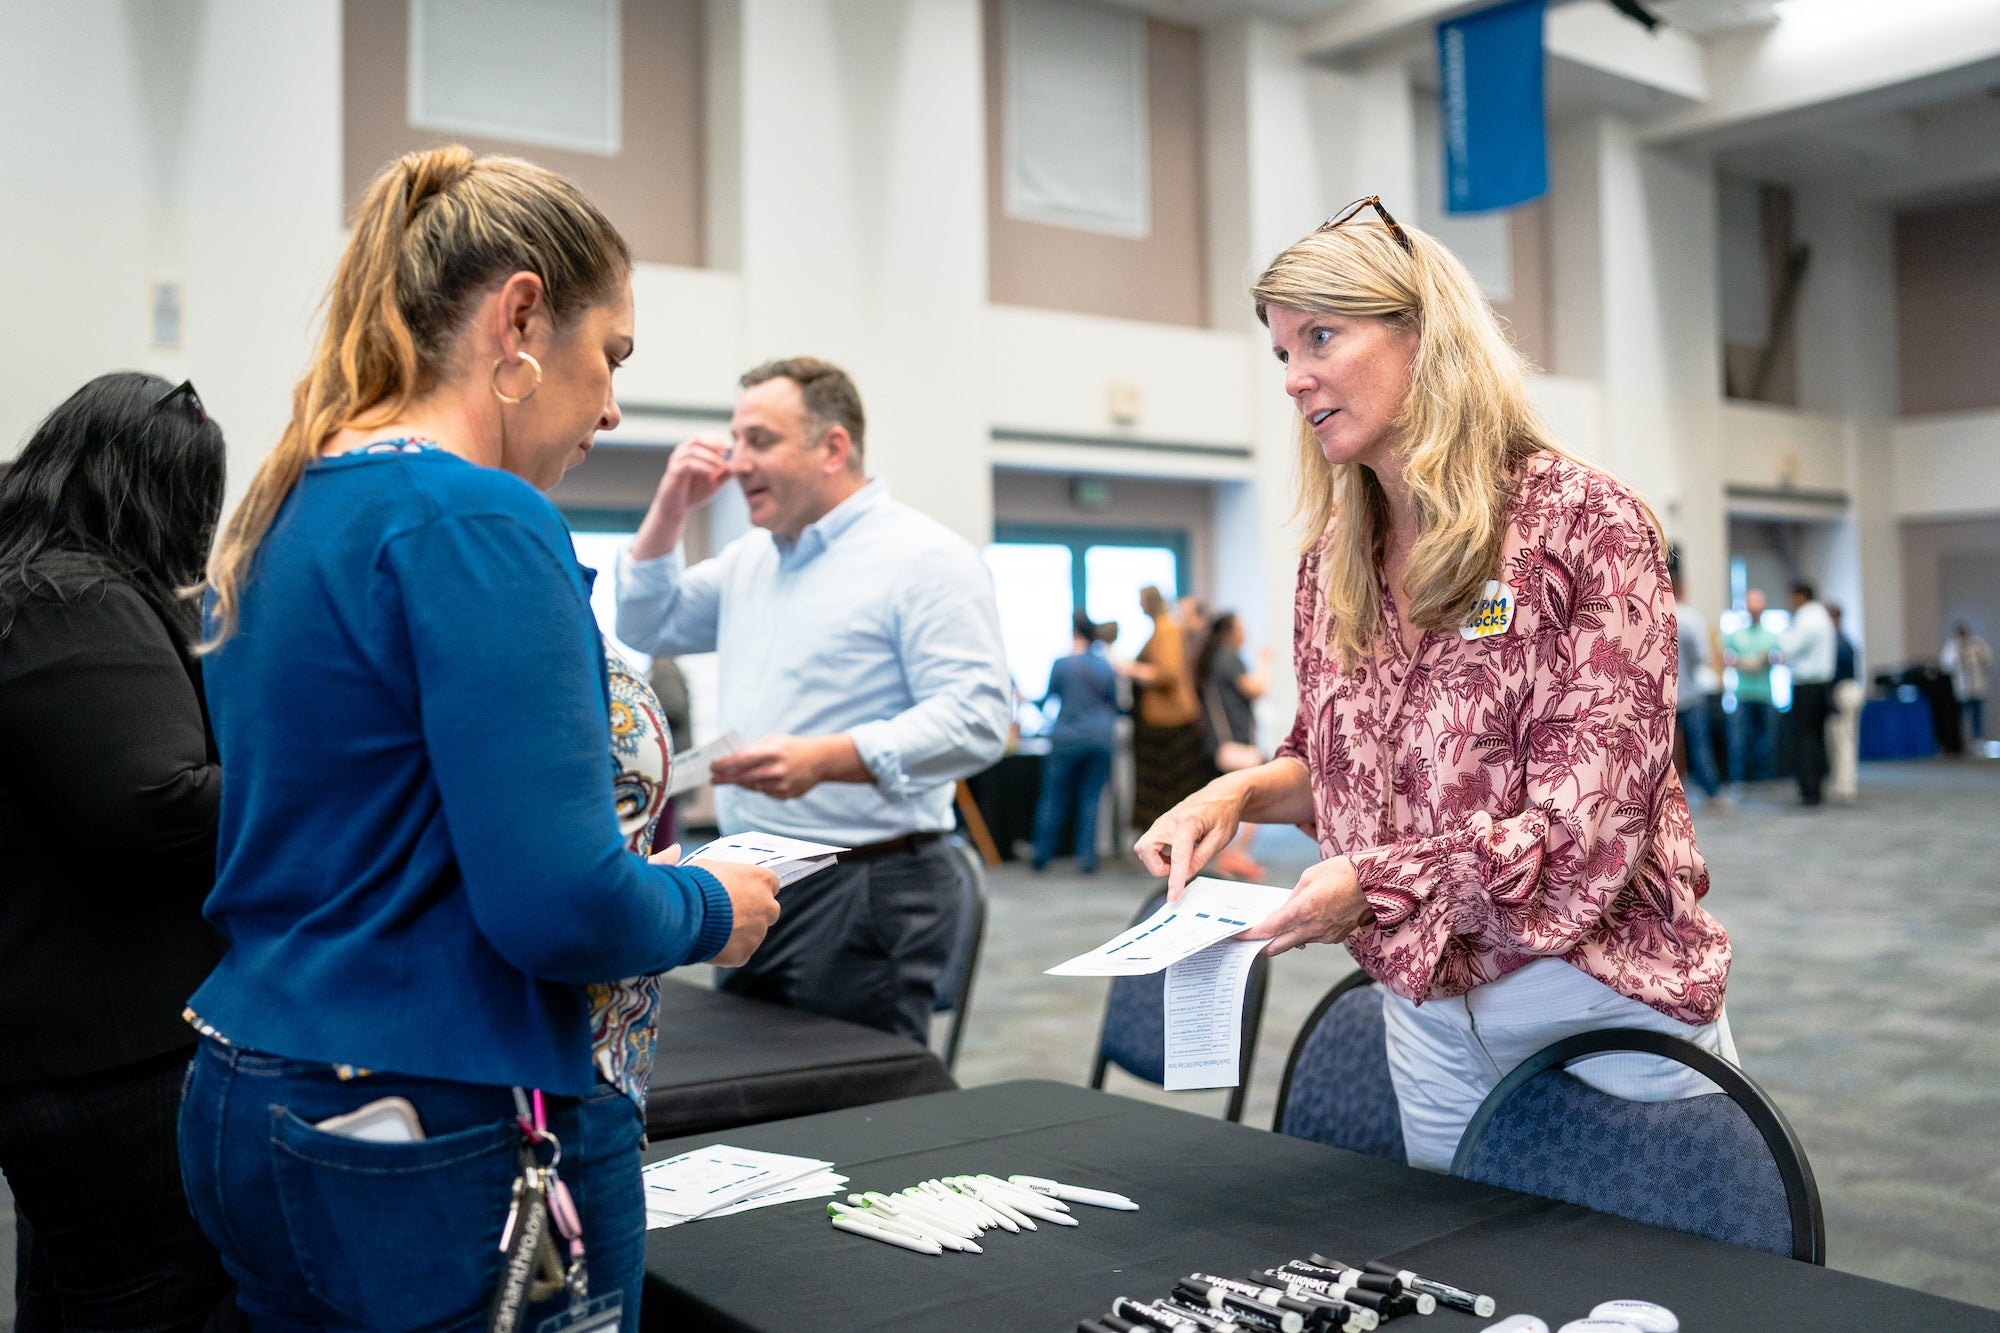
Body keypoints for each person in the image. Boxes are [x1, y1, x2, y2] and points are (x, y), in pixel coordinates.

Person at [178, 146, 780, 1331]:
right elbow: (559, 907)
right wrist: (712, 902)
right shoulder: (477, 514)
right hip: (429, 1105)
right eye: (609, 354)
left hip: (254, 1075)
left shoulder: (294, 499)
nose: (611, 405)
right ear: (518, 316)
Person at [1135, 200, 1733, 1171]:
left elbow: (1583, 840)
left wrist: (1369, 882)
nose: (1293, 379)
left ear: (1425, 333)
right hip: (1425, 1009)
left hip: (1597, 1000)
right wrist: (1239, 792)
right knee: (1463, 1293)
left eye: (1320, 337)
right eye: (1281, 352)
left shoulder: (1582, 523)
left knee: (1658, 1298)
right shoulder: (1333, 555)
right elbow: (1333, 765)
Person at [615, 356, 1010, 1042]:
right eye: (734, 440)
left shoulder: (924, 558)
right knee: (756, 1089)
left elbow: (978, 719)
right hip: (753, 874)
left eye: (760, 440)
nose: (736, 462)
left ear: (833, 447)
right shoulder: (753, 559)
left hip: (868, 881)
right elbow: (645, 623)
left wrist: (827, 758)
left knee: (854, 1108)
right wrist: (671, 504)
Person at [0, 373, 235, 1328]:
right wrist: (327, 775)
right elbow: (159, 805)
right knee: (155, 1301)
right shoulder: (68, 594)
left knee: (71, 1300)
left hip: (66, 1055)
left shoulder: (30, 585)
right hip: (114, 1062)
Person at [1030, 611, 1119, 873]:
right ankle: (1087, 859)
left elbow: (1049, 701)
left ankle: (1041, 855)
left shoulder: (1062, 664)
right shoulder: (1106, 667)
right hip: (1100, 738)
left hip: (1066, 738)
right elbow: (1114, 704)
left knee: (1053, 796)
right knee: (1091, 798)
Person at [1195, 611, 1271, 880]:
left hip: (1219, 744)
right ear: (1229, 631)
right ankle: (1236, 855)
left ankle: (1230, 855)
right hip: (1236, 744)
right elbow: (1256, 688)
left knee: (1232, 801)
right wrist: (1265, 663)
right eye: (1241, 627)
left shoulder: (1213, 659)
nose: (1245, 632)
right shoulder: (1229, 658)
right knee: (1256, 799)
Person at [1126, 584, 1208, 832]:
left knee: (1174, 788)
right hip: (1160, 721)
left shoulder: (1167, 629)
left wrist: (1136, 671)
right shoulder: (1162, 629)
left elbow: (1168, 673)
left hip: (1171, 722)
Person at [1670, 562, 1725, 809]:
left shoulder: (1656, 613)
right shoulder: (1690, 618)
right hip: (1691, 693)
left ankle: (1661, 799)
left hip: (1665, 696)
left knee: (1663, 752)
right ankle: (1711, 793)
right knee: (1699, 746)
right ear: (1684, 589)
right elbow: (1701, 655)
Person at [1779, 581, 1835, 807]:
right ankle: (1818, 786)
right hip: (1822, 685)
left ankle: (1809, 789)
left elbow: (1790, 648)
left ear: (1801, 596)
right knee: (1818, 737)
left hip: (1806, 685)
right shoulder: (1822, 616)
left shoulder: (1805, 618)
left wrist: (1781, 634)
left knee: (1805, 739)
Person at [1723, 588, 1780, 787]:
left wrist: (1767, 660)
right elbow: (1723, 658)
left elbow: (1780, 659)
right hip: (1742, 694)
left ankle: (1764, 779)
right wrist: (1743, 663)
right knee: (1739, 741)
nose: (1754, 610)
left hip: (1765, 695)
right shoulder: (1736, 635)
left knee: (1766, 741)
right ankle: (1740, 779)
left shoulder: (1770, 635)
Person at [1826, 602, 1863, 805]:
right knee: (1841, 741)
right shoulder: (1844, 639)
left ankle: (1846, 786)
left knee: (1844, 741)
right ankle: (1841, 784)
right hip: (1847, 691)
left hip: (1844, 691)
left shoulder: (1838, 642)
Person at [1941, 621, 1992, 745]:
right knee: (1959, 716)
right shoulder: (1951, 647)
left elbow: (1988, 659)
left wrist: (1975, 652)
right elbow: (1946, 666)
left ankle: (1978, 740)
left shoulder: (1977, 644)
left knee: (1977, 716)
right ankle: (1959, 741)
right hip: (1960, 689)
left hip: (1977, 686)